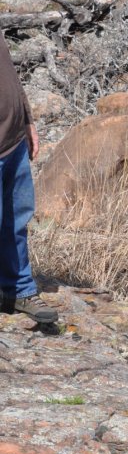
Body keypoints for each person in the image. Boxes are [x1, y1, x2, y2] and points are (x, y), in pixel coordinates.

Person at [0, 28, 57, 325]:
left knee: (16, 220)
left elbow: (6, 70)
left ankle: (19, 290)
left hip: (12, 142)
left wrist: (28, 119)